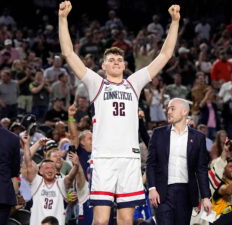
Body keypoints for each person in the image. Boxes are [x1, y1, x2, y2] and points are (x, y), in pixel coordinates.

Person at [58, 1, 180, 225]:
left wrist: (174, 22)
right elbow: (68, 53)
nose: (115, 62)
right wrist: (63, 19)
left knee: (126, 220)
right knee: (101, 220)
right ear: (103, 66)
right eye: (111, 60)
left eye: (119, 60)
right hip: (104, 158)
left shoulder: (134, 83)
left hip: (129, 158)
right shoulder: (97, 84)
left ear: (124, 65)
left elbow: (164, 56)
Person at [147, 98, 212, 225]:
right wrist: (152, 188)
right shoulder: (158, 133)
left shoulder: (198, 138)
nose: (168, 112)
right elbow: (151, 164)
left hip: (186, 194)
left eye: (172, 108)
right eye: (168, 109)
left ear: (184, 112)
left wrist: (205, 197)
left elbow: (201, 169)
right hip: (162, 193)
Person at [21, 134, 79, 225]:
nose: (59, 158)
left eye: (60, 157)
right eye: (55, 157)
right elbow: (26, 160)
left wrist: (71, 198)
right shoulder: (36, 178)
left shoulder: (64, 180)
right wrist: (36, 144)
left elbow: (70, 195)